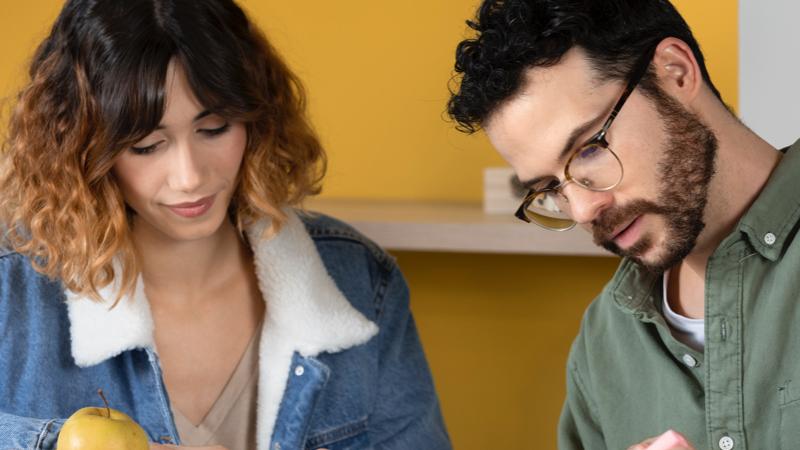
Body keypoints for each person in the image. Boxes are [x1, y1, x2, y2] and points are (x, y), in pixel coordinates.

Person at [0, 1, 451, 449]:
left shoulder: (361, 279)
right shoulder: (12, 292)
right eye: (147, 145)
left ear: (257, 119)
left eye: (214, 128)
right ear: (83, 149)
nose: (190, 176)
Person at [448, 1, 796, 449]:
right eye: (550, 187)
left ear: (676, 72)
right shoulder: (603, 343)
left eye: (589, 149)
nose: (582, 210)